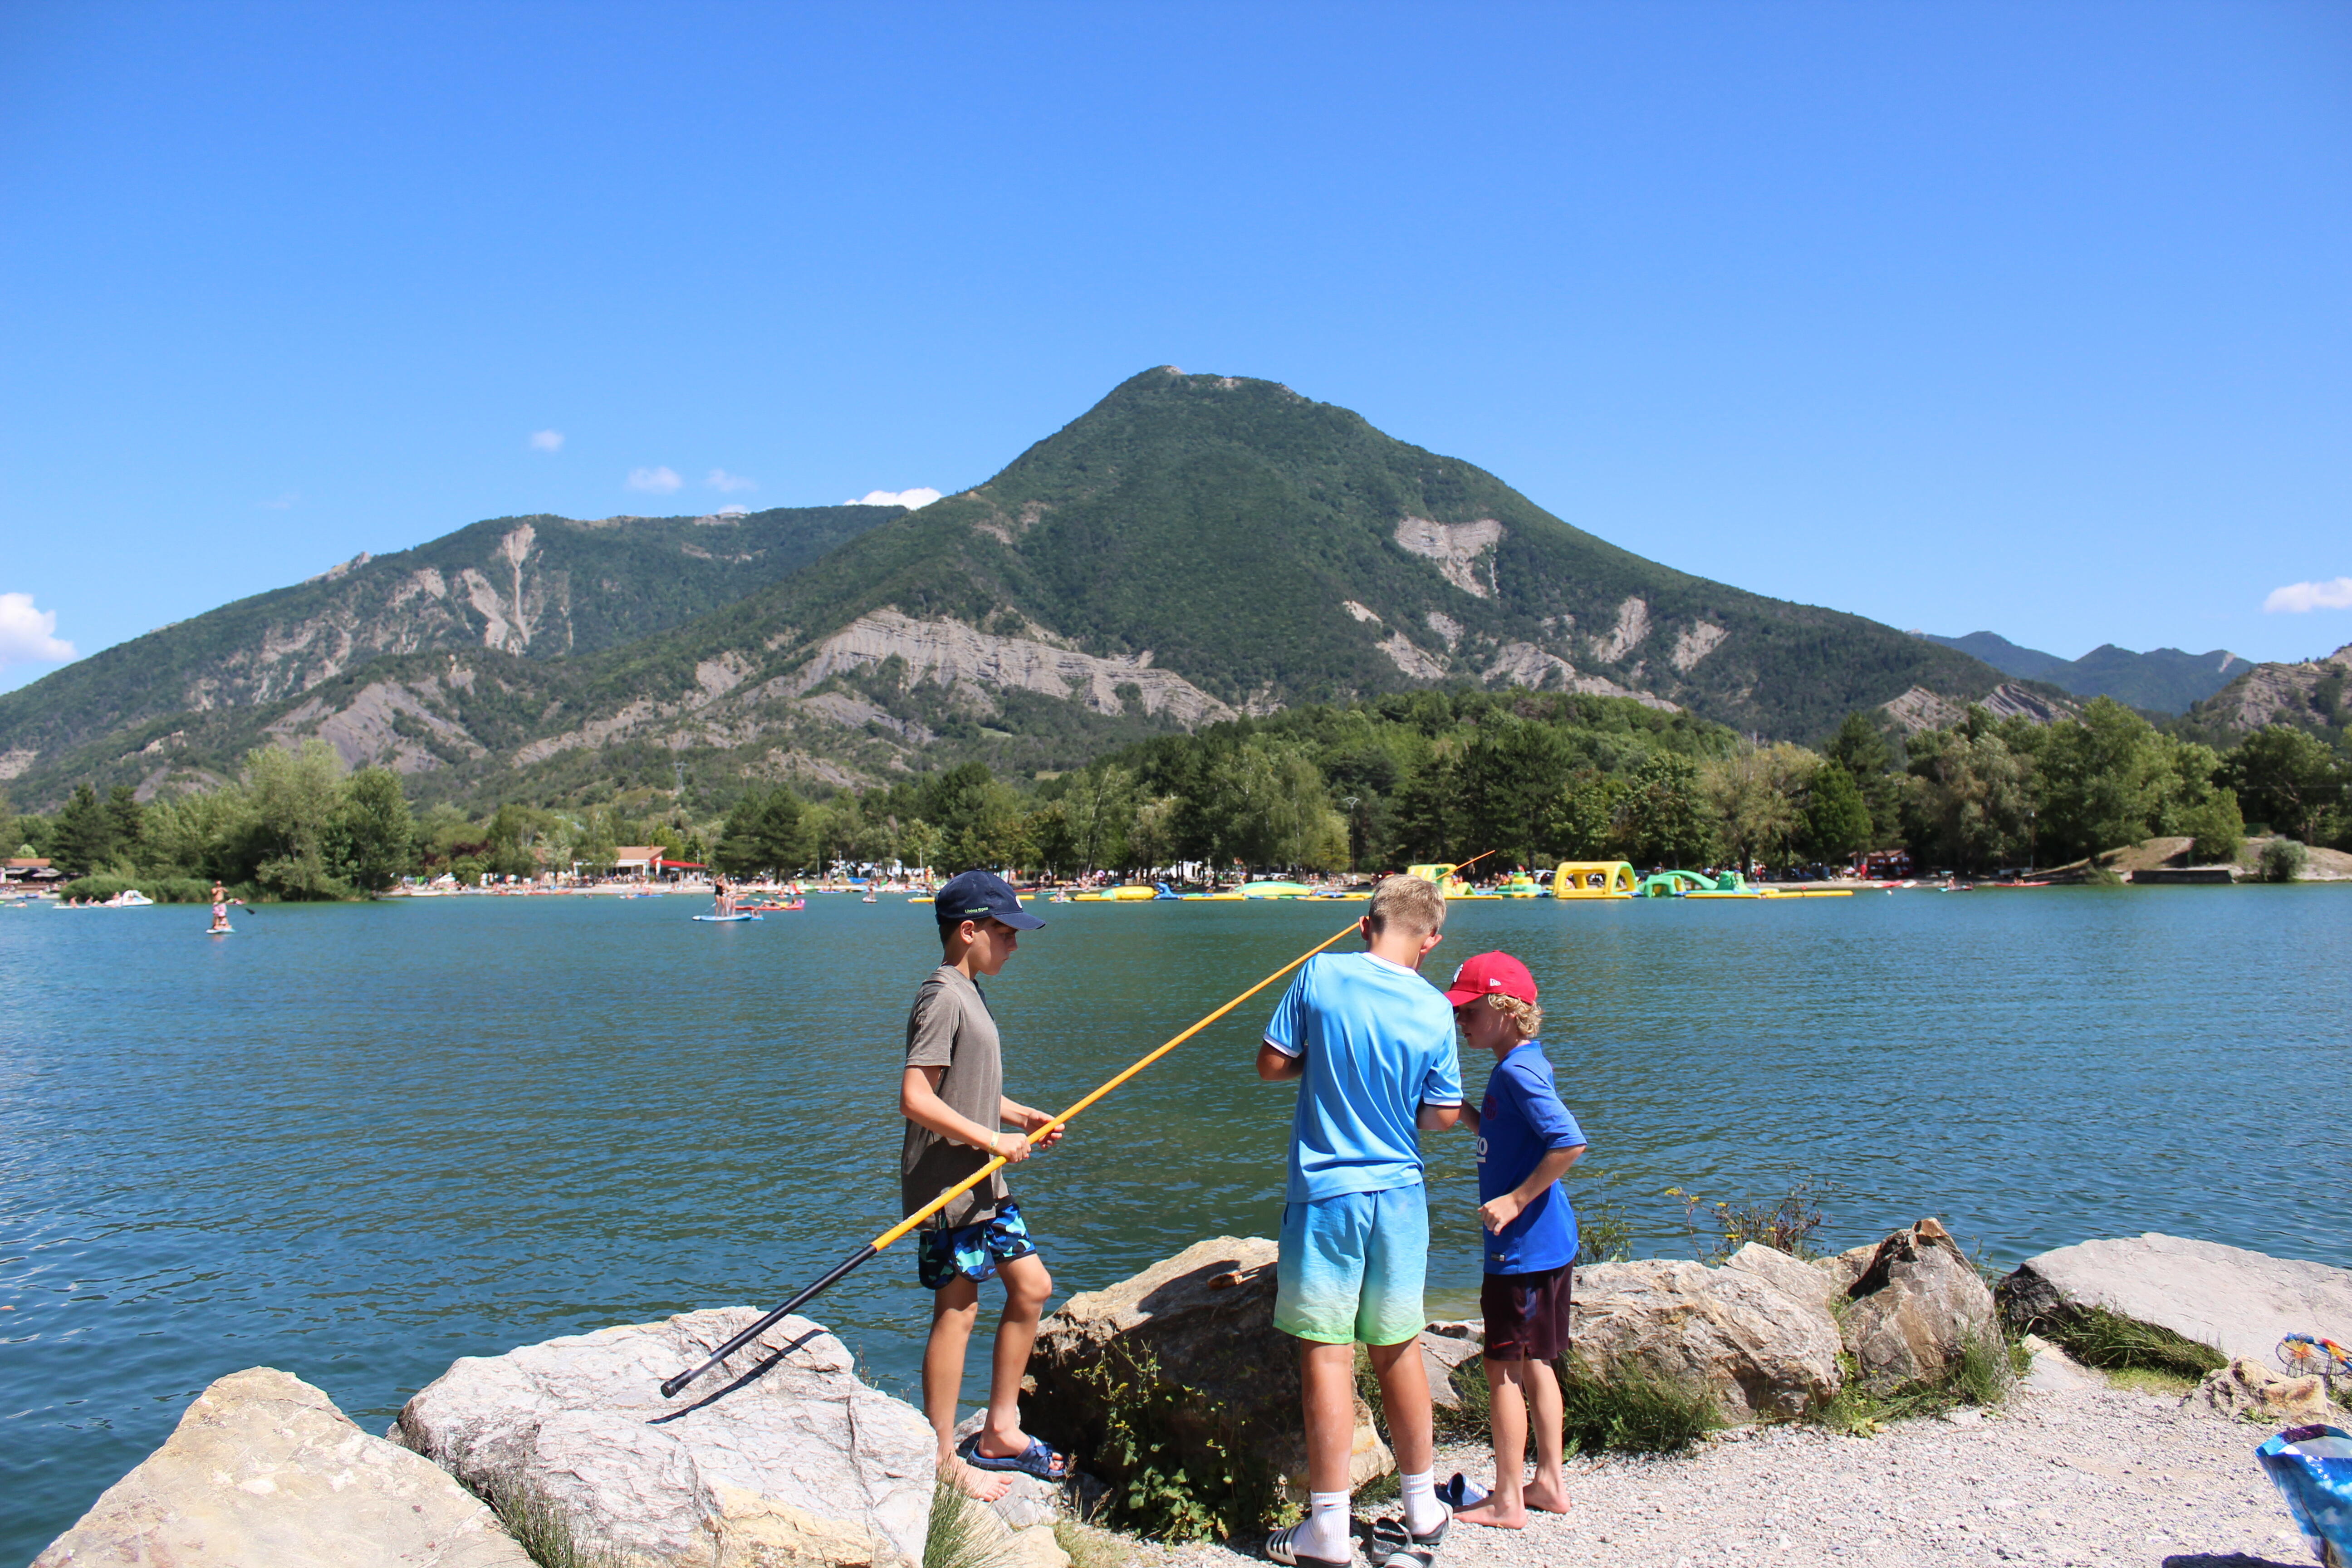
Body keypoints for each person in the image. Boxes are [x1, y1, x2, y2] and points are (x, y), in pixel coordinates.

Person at [1256, 874, 1461, 1568]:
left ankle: (1327, 1530)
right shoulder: (1436, 1010)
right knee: (1399, 1346)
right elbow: (1438, 1115)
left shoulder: (1320, 974)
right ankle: (1423, 1507)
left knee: (1328, 1353)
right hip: (1399, 1197)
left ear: (1364, 923)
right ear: (1431, 941)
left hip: (1327, 1195)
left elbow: (1271, 1065)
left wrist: (1325, 1065)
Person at [900, 868, 1071, 1498]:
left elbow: (964, 1087)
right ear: (968, 931)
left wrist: (1017, 1115)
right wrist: (993, 1141)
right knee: (959, 1309)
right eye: (1004, 933)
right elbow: (916, 1097)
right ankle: (944, 1454)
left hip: (984, 1182)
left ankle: (1001, 1428)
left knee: (1032, 1287)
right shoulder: (942, 994)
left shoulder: (970, 990)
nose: (1014, 945)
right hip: (948, 1188)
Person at [1436, 952, 1586, 1531]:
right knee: (1538, 1363)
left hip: (1520, 1250)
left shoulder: (1517, 1073)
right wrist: (1464, 1113)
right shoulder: (1521, 1066)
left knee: (1502, 1370)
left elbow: (1568, 1142)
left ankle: (1506, 1500)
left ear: (1503, 1009)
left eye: (1468, 1011)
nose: (1461, 1023)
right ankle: (1548, 1482)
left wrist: (1515, 1200)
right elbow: (1510, 1130)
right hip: (1548, 1246)